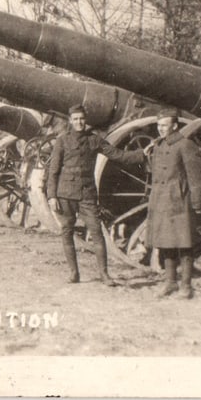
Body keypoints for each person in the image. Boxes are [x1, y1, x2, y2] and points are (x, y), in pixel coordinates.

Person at [45, 104, 144, 286]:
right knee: (67, 232)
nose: (79, 122)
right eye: (75, 119)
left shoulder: (94, 140)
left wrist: (141, 154)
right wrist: (51, 196)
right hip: (65, 194)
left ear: (85, 120)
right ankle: (74, 273)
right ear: (70, 121)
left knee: (97, 233)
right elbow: (53, 170)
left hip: (87, 194)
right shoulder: (62, 141)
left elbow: (117, 155)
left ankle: (104, 274)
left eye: (82, 119)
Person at [144, 109, 201, 299]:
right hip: (161, 200)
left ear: (174, 126)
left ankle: (186, 286)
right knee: (166, 244)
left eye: (164, 125)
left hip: (179, 201)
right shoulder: (158, 146)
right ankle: (170, 283)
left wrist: (197, 203)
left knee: (184, 244)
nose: (160, 129)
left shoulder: (185, 145)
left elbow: (196, 177)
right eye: (158, 125)